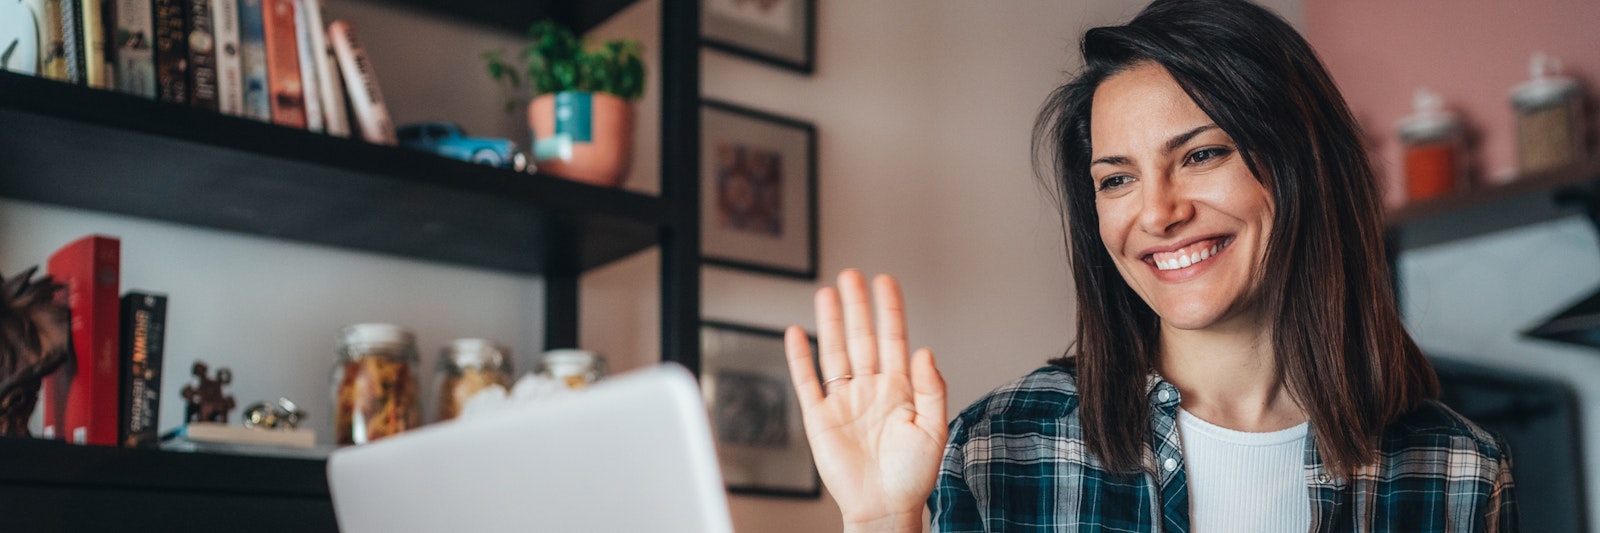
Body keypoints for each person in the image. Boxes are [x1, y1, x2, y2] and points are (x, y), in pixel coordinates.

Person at [781, 0, 1519, 531]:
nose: (1158, 212)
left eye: (1200, 155)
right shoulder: (1002, 446)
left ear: (1304, 166)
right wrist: (883, 520)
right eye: (1116, 178)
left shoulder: (1455, 470)